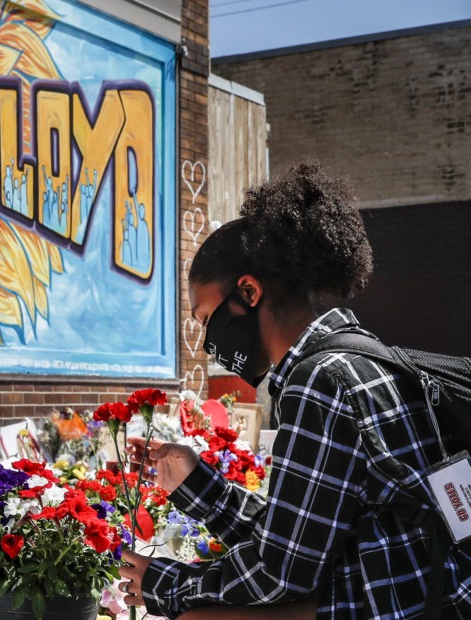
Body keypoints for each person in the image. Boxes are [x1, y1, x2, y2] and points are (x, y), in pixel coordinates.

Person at [118, 162, 470, 618]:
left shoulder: (321, 383)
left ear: (248, 293)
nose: (208, 344)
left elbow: (282, 572)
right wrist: (194, 481)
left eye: (207, 320)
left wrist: (165, 585)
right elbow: (295, 537)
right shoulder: (365, 359)